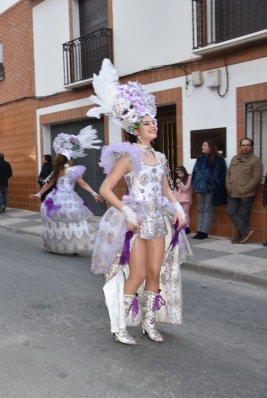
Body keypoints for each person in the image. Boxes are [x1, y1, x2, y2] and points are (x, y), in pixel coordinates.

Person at [88, 59, 190, 345]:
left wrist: (178, 207)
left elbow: (167, 189)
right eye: (148, 123)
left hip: (157, 221)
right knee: (138, 274)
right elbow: (105, 188)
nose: (153, 126)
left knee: (155, 274)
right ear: (136, 129)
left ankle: (149, 323)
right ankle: (120, 326)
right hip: (136, 222)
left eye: (154, 122)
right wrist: (126, 209)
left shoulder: (160, 158)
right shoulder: (129, 156)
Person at [31, 127, 103, 254]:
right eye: (72, 158)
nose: (73, 159)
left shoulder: (57, 171)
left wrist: (39, 194)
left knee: (56, 223)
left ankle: (56, 246)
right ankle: (72, 246)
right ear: (69, 160)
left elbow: (47, 185)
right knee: (73, 223)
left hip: (55, 198)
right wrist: (94, 193)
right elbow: (83, 183)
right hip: (69, 199)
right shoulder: (72, 170)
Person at [226, 138, 263, 244]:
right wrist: (228, 186)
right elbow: (228, 174)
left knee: (244, 215)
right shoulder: (234, 159)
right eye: (243, 145)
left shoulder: (256, 161)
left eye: (248, 145)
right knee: (231, 212)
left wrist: (245, 189)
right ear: (240, 146)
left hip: (246, 194)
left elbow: (257, 178)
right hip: (232, 192)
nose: (245, 147)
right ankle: (245, 231)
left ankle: (240, 236)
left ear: (251, 147)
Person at [191, 139, 227, 239]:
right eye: (202, 145)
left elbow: (222, 174)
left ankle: (204, 232)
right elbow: (194, 172)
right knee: (200, 209)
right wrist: (194, 183)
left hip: (211, 188)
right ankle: (199, 230)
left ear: (210, 147)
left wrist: (216, 184)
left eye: (204, 145)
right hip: (199, 187)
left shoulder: (219, 159)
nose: (202, 147)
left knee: (208, 209)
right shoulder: (199, 158)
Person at [174, 166, 192, 234]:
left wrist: (180, 183)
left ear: (184, 172)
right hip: (178, 199)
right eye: (178, 174)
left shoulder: (189, 177)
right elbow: (176, 190)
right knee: (180, 214)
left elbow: (186, 188)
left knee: (186, 214)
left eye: (181, 173)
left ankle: (187, 228)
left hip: (186, 199)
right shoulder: (178, 179)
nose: (180, 175)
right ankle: (180, 227)